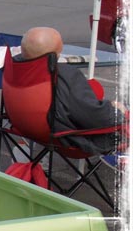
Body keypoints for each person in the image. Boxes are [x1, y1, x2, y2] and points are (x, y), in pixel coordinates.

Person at [17, 27, 126, 155]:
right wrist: (117, 112)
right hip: (65, 138)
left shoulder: (16, 68)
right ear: (58, 52)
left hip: (26, 127)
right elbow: (91, 115)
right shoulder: (64, 75)